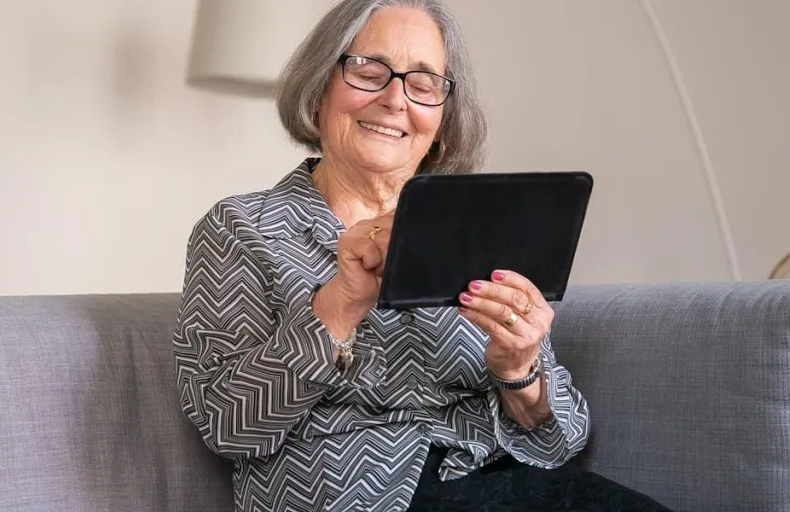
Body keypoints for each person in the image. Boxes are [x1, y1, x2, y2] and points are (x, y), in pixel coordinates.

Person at [172, 1, 673, 510]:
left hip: (504, 478)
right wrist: (339, 305)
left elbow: (561, 441)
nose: (395, 99)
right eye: (368, 70)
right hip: (356, 492)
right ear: (320, 86)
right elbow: (227, 427)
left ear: (442, 117)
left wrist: (519, 371)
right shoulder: (243, 227)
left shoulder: (477, 224)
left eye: (424, 83)